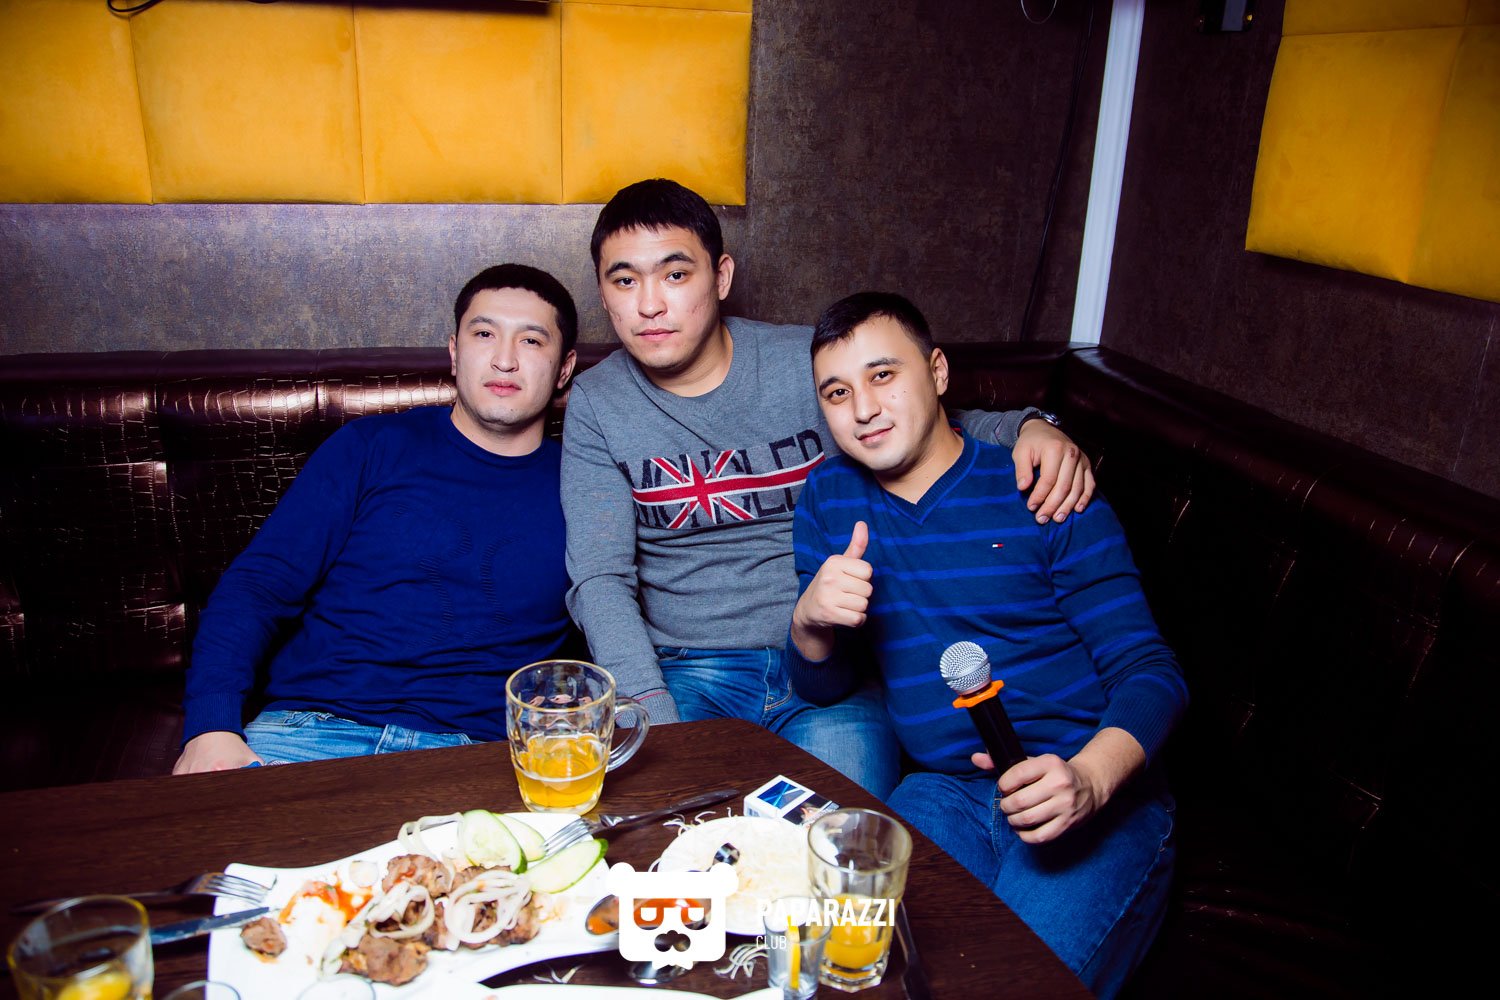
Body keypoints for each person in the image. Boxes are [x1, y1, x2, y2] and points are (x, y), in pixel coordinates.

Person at [561, 179, 1096, 797]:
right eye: (625, 281)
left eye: (675, 275)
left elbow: (914, 422)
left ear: (721, 276)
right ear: (603, 291)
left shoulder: (802, 361)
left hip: (828, 666)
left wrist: (1027, 425)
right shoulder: (597, 402)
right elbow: (600, 579)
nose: (650, 304)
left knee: (835, 834)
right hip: (686, 671)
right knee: (670, 826)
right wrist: (652, 709)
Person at [786, 292, 1187, 997]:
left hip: (1089, 790)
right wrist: (809, 624)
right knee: (850, 973)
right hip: (942, 792)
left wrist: (1091, 780)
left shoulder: (1040, 483)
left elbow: (1152, 672)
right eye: (837, 392)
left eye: (884, 375)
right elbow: (826, 686)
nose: (864, 409)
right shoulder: (828, 499)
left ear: (938, 371)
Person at [173, 264, 579, 772]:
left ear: (564, 368)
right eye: (484, 334)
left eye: (531, 341)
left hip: (475, 752)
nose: (504, 359)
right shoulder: (370, 447)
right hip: (311, 731)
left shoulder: (584, 483)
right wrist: (210, 728)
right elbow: (258, 586)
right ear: (455, 352)